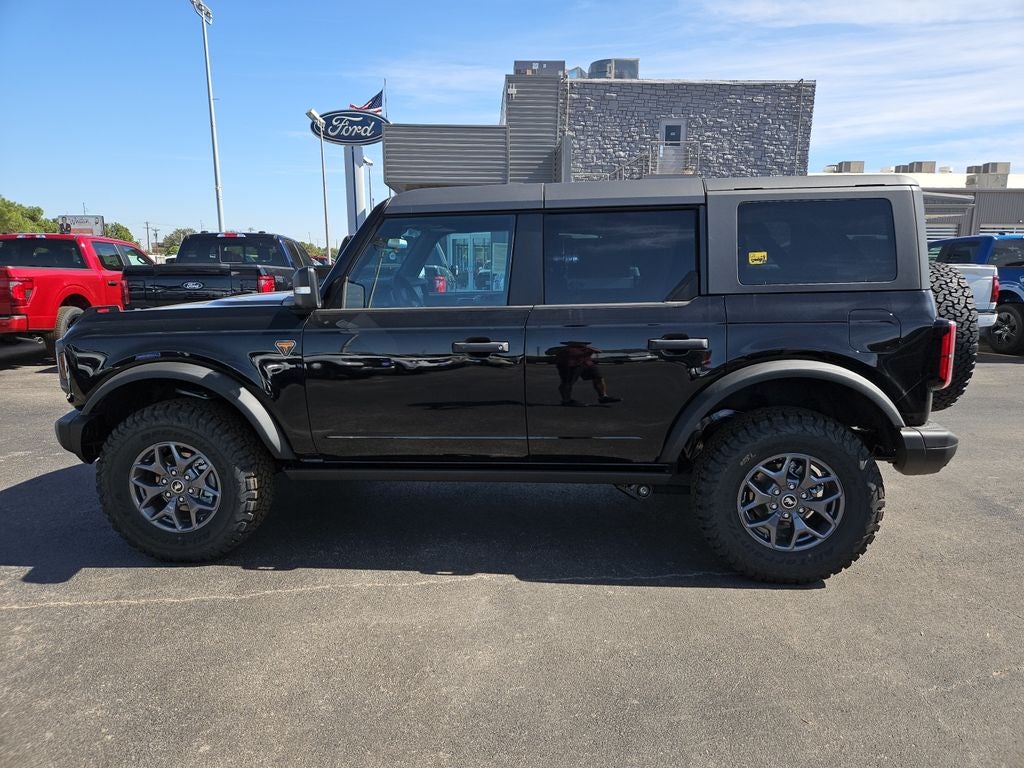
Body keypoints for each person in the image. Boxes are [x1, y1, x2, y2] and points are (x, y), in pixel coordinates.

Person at [551, 341, 622, 406]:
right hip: (569, 365)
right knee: (567, 382)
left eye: (581, 343)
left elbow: (599, 351)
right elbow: (548, 352)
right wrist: (566, 349)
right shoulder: (562, 348)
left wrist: (586, 347)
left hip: (587, 364)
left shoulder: (587, 348)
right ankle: (566, 401)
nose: (579, 345)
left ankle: (603, 397)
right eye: (576, 343)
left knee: (598, 377)